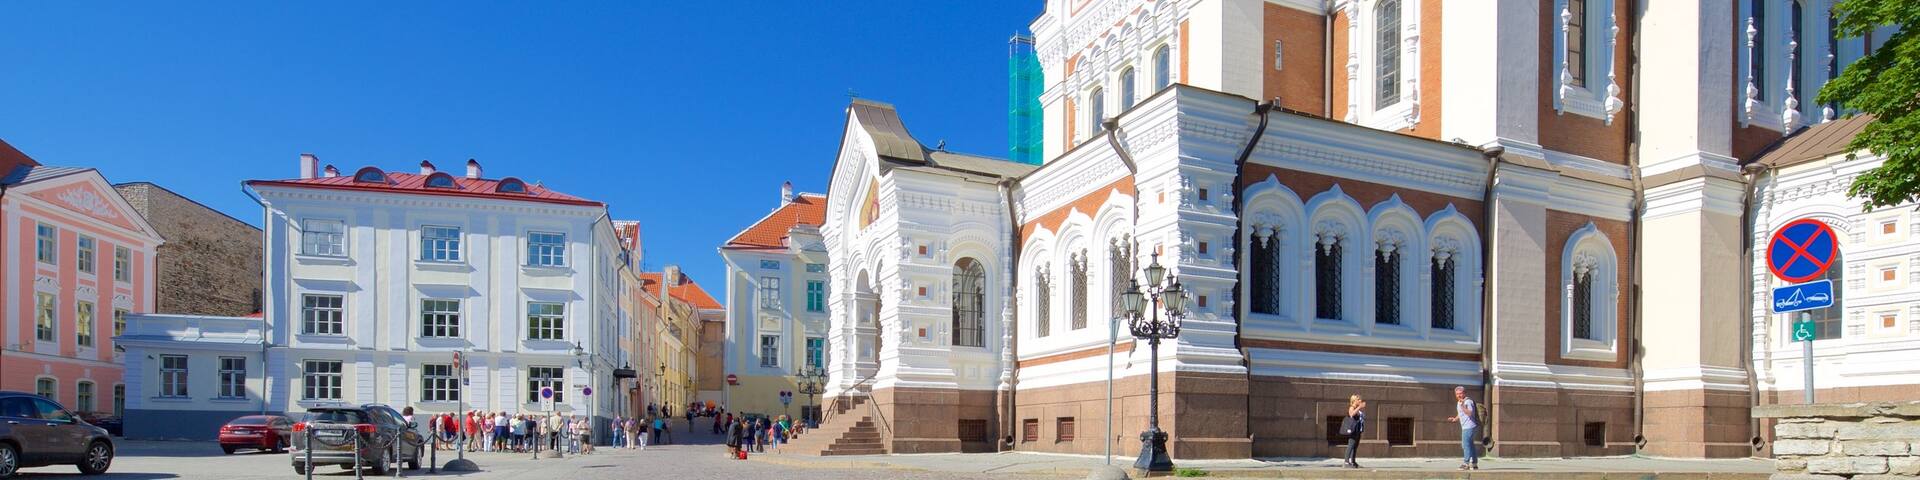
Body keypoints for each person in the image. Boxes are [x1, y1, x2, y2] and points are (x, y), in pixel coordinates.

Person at [1448, 386, 1480, 470]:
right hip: (1466, 426)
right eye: (1457, 394)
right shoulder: (1460, 402)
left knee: (1466, 445)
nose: (1459, 395)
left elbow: (1469, 413)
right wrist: (1455, 419)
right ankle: (1474, 464)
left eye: (1460, 393)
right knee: (1470, 445)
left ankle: (1466, 463)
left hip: (1469, 426)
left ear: (1464, 393)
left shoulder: (1468, 401)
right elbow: (1461, 413)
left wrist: (1463, 406)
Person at [1343, 395, 1367, 468]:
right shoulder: (1352, 407)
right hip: (1353, 430)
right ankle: (1346, 462)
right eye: (1358, 399)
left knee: (1355, 446)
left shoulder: (1358, 409)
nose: (1360, 401)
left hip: (1358, 430)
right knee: (1351, 445)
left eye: (1360, 399)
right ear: (1354, 401)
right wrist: (1359, 407)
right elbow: (1351, 414)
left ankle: (1353, 462)